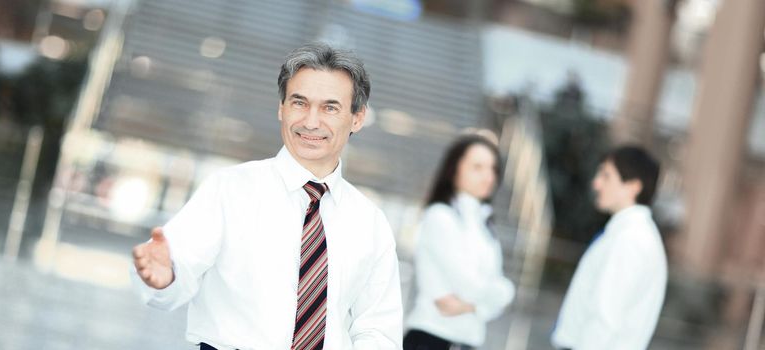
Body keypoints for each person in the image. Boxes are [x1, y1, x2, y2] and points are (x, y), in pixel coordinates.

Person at [131, 43, 403, 350]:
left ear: (357, 117)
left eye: (330, 107)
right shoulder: (230, 189)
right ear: (281, 107)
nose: (311, 121)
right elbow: (177, 267)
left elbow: (378, 330)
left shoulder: (370, 223)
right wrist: (165, 277)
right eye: (299, 103)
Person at [403, 134, 516, 350]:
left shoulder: (485, 224)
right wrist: (497, 296)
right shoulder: (440, 216)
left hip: (468, 342)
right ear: (454, 169)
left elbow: (499, 291)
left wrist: (481, 303)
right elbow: (469, 285)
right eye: (477, 167)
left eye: (492, 168)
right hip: (431, 338)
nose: (488, 176)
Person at [551, 145, 667, 350]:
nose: (596, 183)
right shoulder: (628, 234)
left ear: (633, 186)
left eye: (606, 176)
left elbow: (605, 318)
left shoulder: (631, 240)